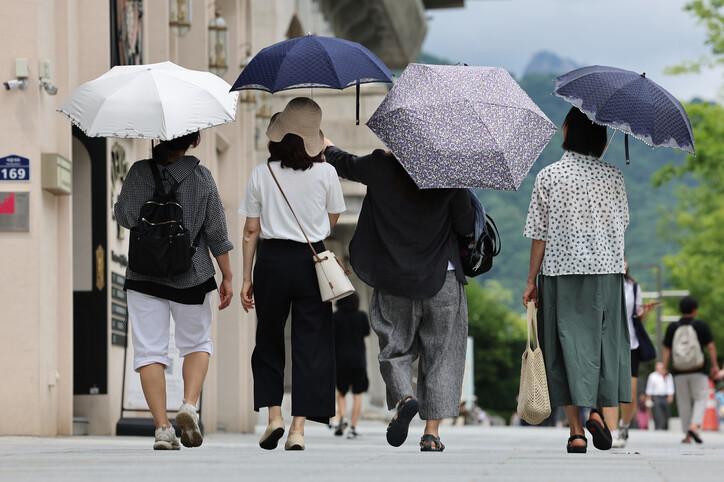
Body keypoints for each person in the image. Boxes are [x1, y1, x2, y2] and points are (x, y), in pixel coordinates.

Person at [324, 139, 475, 452]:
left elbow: (345, 163)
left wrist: (326, 145)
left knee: (394, 345)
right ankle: (431, 434)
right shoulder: (449, 173)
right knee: (442, 354)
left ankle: (406, 397)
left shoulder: (381, 165)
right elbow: (465, 224)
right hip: (441, 277)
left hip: (392, 275)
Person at [114, 131, 234, 450]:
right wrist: (228, 277)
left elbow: (124, 216)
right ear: (193, 141)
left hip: (144, 275)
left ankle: (163, 429)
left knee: (149, 350)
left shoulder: (139, 171)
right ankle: (188, 406)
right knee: (196, 343)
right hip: (192, 275)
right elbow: (217, 233)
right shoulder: (202, 177)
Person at [239, 97, 346, 451]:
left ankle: (274, 417)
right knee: (311, 344)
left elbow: (251, 231)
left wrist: (246, 277)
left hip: (270, 261)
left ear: (278, 136)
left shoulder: (261, 173)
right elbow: (331, 220)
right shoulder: (327, 173)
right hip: (310, 260)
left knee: (268, 339)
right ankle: (299, 428)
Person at [522, 106, 631, 454]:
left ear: (567, 130)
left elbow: (539, 234)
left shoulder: (549, 176)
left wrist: (531, 280)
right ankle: (598, 412)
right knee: (601, 344)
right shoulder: (614, 177)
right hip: (606, 272)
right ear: (601, 137)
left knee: (563, 349)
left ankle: (576, 432)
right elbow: (622, 223)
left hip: (559, 272)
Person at [661, 295, 720, 444]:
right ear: (695, 309)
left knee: (683, 401)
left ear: (681, 309)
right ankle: (694, 425)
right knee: (700, 398)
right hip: (698, 370)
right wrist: (715, 366)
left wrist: (664, 366)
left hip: (679, 370)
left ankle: (687, 434)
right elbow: (711, 346)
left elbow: (667, 349)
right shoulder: (701, 326)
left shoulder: (672, 327)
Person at [612, 260, 658, 447]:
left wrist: (645, 312)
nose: (623, 262)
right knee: (611, 388)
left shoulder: (633, 287)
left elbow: (637, 317)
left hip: (631, 342)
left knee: (630, 390)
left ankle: (624, 425)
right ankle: (612, 430)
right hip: (610, 342)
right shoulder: (603, 284)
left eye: (624, 258)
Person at [331, 292, 370, 439]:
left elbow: (332, 336)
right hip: (358, 360)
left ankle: (342, 418)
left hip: (341, 360)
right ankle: (353, 428)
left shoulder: (335, 317)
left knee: (341, 392)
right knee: (357, 394)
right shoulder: (361, 316)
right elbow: (366, 333)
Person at [644, 361, 675, 430]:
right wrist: (648, 398)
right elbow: (649, 388)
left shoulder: (668, 375)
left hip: (665, 397)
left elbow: (670, 386)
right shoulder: (652, 376)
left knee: (666, 413)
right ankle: (658, 428)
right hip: (656, 397)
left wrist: (671, 396)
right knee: (657, 413)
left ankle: (665, 427)